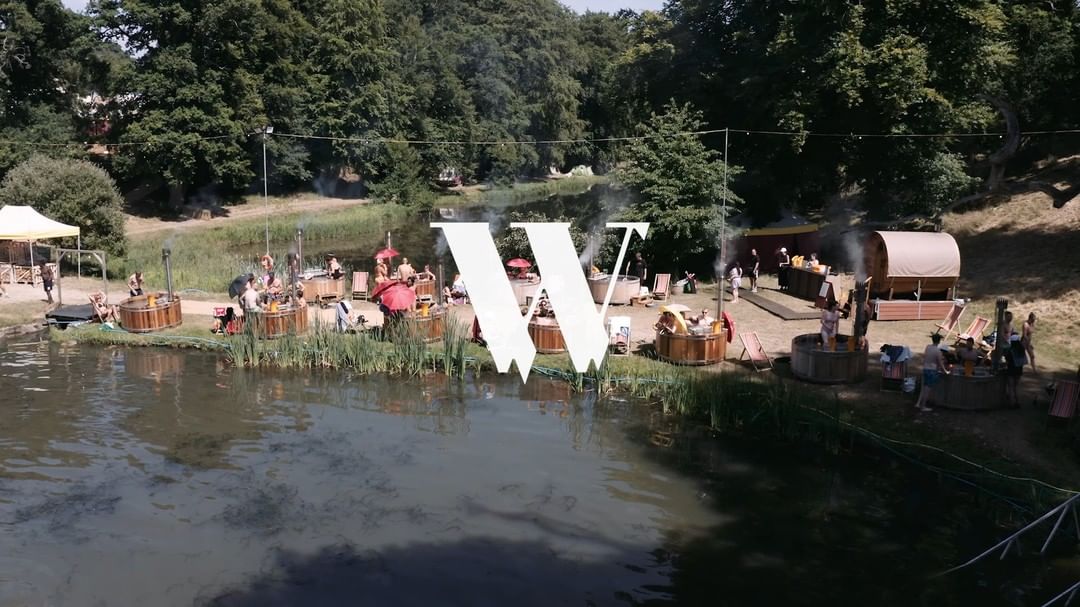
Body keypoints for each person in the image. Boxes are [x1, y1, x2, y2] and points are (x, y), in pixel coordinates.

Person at [915, 333, 947, 412]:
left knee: (923, 388)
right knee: (927, 389)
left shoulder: (928, 347)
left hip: (925, 369)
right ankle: (923, 407)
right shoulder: (938, 351)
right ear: (939, 341)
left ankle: (918, 403)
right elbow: (940, 363)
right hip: (931, 371)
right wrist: (946, 371)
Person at [1004, 334, 1027, 407]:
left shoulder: (1010, 351)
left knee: (1010, 387)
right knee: (1016, 387)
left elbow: (1007, 360)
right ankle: (1018, 402)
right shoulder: (1021, 350)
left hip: (1011, 370)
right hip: (1019, 370)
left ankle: (1011, 403)